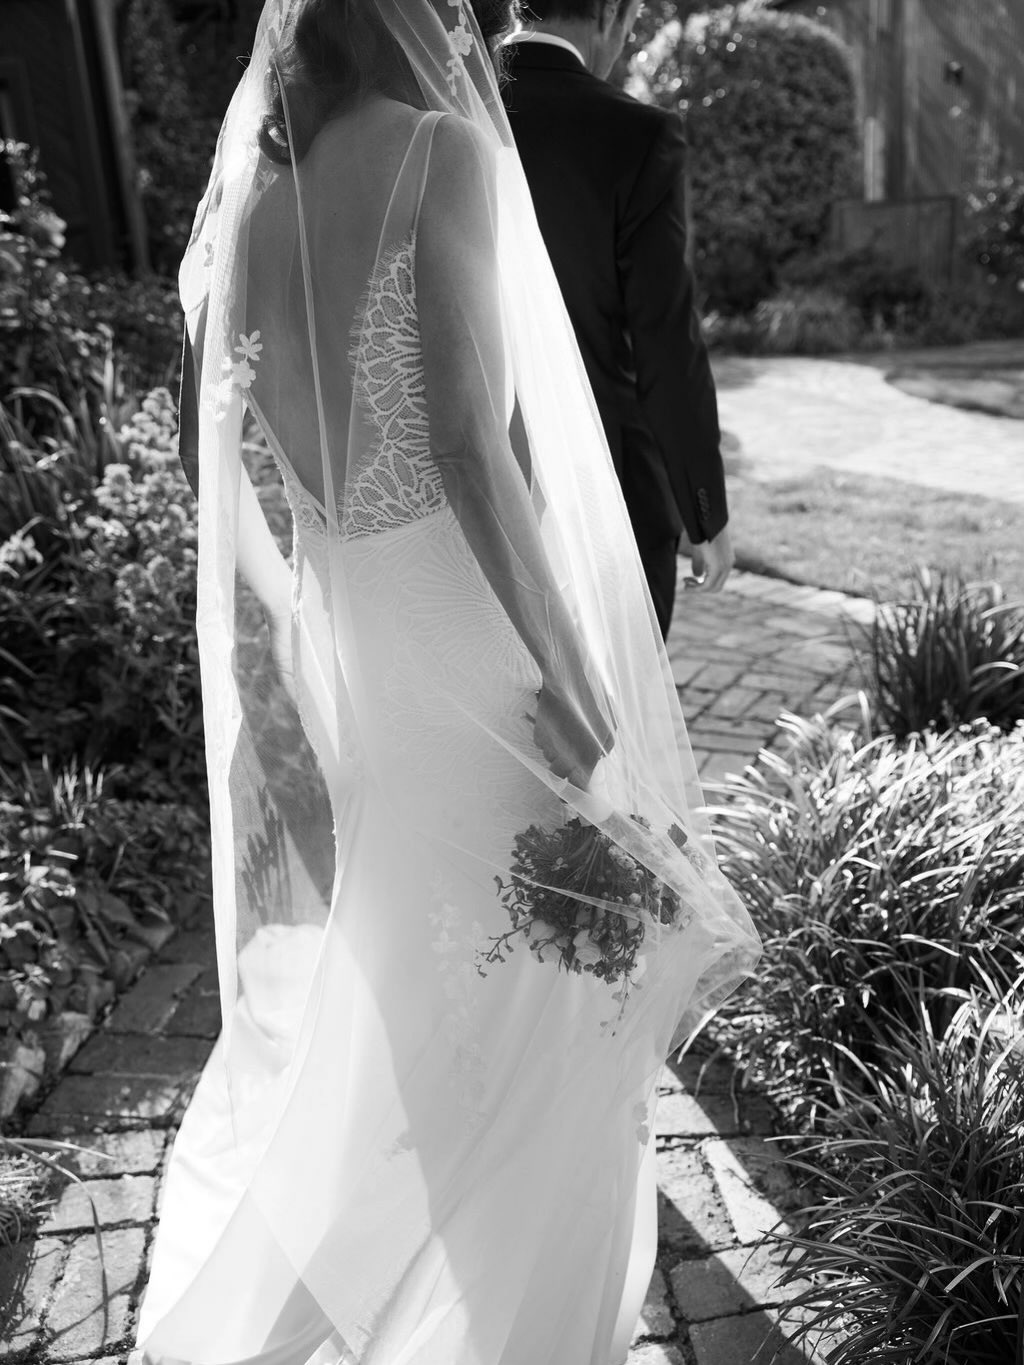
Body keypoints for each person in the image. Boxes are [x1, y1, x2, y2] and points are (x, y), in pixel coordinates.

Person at [134, 3, 759, 1363]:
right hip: (474, 652)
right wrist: (569, 668)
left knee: (426, 986)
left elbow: (223, 478)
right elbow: (472, 448)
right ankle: (524, 1322)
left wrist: (304, 629)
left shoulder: (253, 207)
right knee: (557, 1000)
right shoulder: (440, 158)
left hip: (367, 667)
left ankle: (425, 1290)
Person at [502, 0, 733, 637]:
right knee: (614, 725)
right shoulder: (636, 135)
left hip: (461, 484)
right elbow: (665, 339)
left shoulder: (436, 113)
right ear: (609, 13)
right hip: (604, 495)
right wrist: (703, 512)